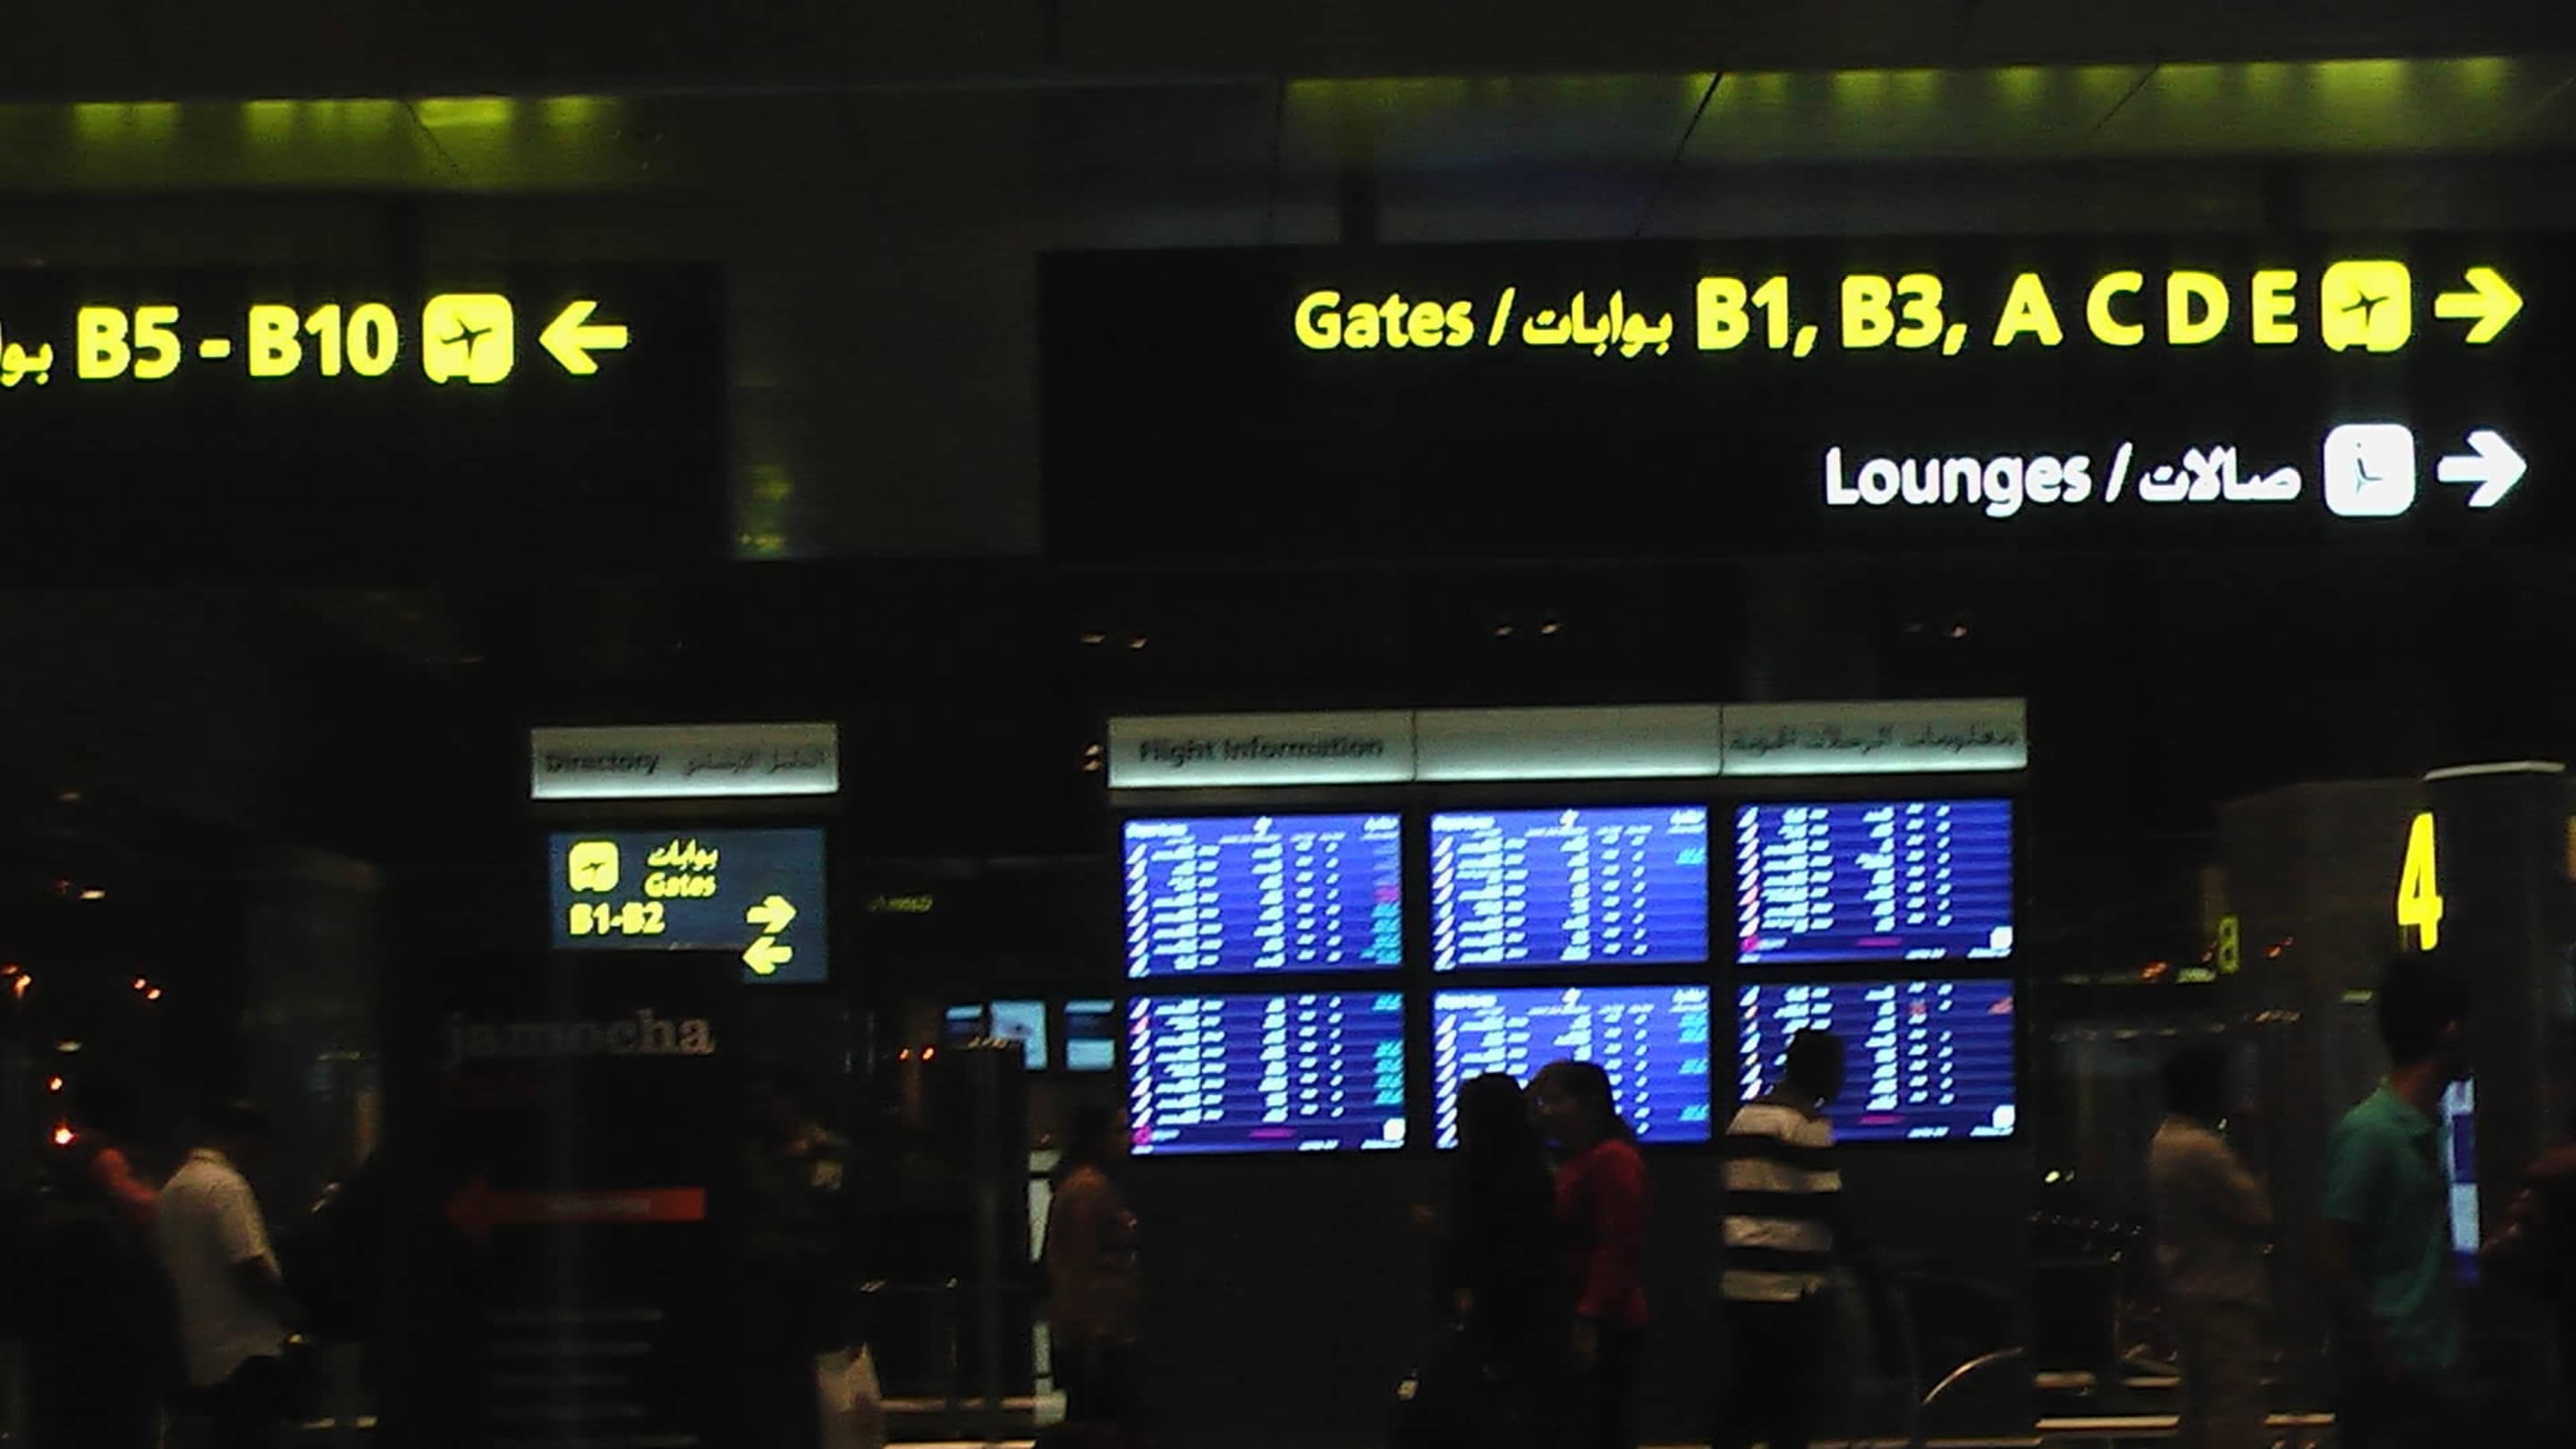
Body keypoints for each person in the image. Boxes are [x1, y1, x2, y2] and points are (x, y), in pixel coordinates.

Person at [2317, 955, 2472, 1449]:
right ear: (2450, 1030)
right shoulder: (2372, 1133)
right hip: (2396, 1384)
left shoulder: (2420, 1129)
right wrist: (2385, 1364)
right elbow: (2333, 1257)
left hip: (2422, 1372)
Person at [22, 1080, 176, 1449]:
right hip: (108, 1345)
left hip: (62, 1348)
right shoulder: (100, 1167)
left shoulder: (53, 1198)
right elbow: (141, 1206)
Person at [1715, 1030, 1847, 1449]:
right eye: (1837, 1068)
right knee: (1791, 1407)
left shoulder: (1746, 1117)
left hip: (1741, 1279)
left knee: (1745, 1395)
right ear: (1819, 1069)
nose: (1841, 1079)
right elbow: (1828, 1204)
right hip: (1792, 1286)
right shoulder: (1805, 1124)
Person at [2149, 1043, 2274, 1449]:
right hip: (2222, 1297)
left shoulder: (2165, 1141)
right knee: (2232, 1412)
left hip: (2188, 1291)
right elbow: (2258, 1211)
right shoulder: (2201, 1149)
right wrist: (2251, 1145)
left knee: (2199, 1410)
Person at [157, 1099, 297, 1449]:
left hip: (196, 1352)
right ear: (244, 1137)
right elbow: (248, 1262)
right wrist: (288, 1310)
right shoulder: (227, 1187)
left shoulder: (174, 1188)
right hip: (244, 1354)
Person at [737, 1066, 858, 1449]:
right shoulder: (751, 1156)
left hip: (816, 1287)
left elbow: (846, 1221)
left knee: (819, 1389)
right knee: (773, 1389)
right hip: (767, 1287)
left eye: (771, 1099)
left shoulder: (831, 1152)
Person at [1532, 1059, 1649, 1449]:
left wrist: (1588, 1317)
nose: (1545, 1111)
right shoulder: (1576, 1160)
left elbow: (1618, 1245)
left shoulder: (1612, 1159)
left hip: (1605, 1321)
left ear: (1590, 1105)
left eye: (1555, 1100)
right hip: (1585, 1313)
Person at [1045, 1104, 1142, 1430]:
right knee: (1099, 1420)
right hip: (1099, 1329)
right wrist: (1092, 1333)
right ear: (1096, 1139)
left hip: (1093, 1328)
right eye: (1119, 1131)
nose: (1128, 1140)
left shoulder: (1082, 1185)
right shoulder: (1090, 1189)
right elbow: (1079, 1265)